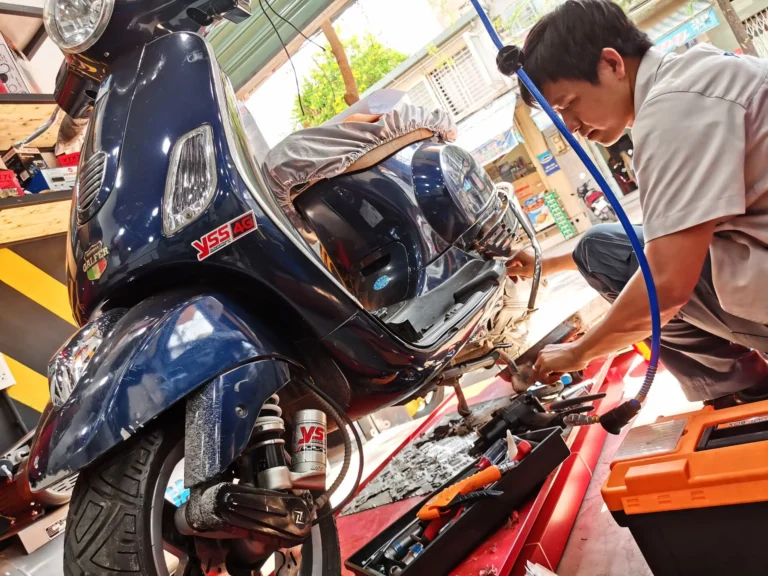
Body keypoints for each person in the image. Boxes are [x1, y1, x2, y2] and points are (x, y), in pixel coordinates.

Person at [508, 0, 768, 406]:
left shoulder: (670, 115)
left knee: (610, 257)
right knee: (603, 246)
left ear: (612, 63)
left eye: (568, 104)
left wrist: (579, 352)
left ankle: (740, 389)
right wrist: (546, 263)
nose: (571, 127)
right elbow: (670, 237)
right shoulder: (697, 73)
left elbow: (667, 284)